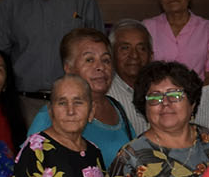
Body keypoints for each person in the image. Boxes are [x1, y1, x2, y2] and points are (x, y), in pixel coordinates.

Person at [24, 28, 134, 162]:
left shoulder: (117, 108)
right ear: (68, 68)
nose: (100, 67)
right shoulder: (52, 114)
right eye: (89, 60)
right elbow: (29, 169)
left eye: (106, 60)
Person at [107, 19, 153, 121]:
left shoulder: (161, 92)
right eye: (125, 48)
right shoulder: (104, 95)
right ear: (111, 54)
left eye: (141, 49)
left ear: (151, 55)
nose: (134, 55)